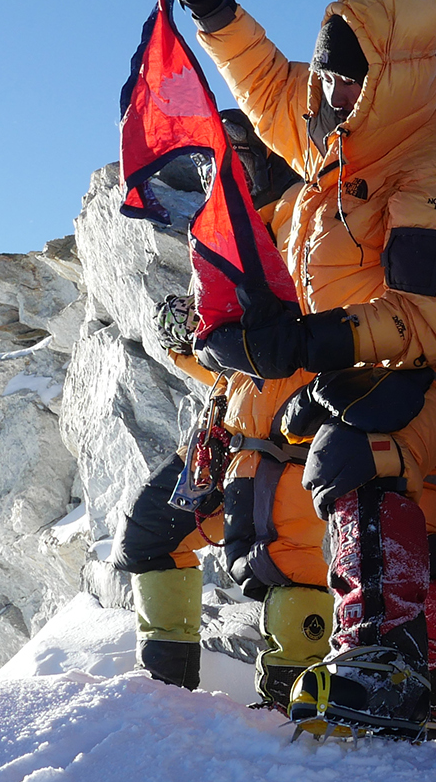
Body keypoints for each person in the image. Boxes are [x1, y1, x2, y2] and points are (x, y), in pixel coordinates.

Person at [158, 0, 436, 739]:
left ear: (392, 80)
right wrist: (217, 13)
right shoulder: (334, 134)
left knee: (353, 455)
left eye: (346, 80)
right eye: (325, 74)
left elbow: (427, 319)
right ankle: (376, 663)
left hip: (429, 373)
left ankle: (386, 665)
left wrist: (315, 339)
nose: (326, 93)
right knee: (331, 454)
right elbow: (268, 84)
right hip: (354, 365)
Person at [111, 112, 341, 705]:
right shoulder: (231, 238)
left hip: (290, 438)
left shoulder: (309, 222)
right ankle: (167, 709)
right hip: (234, 441)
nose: (224, 173)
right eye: (220, 163)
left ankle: (293, 727)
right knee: (150, 537)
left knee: (289, 568)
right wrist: (193, 347)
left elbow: (322, 331)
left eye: (235, 158)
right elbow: (237, 361)